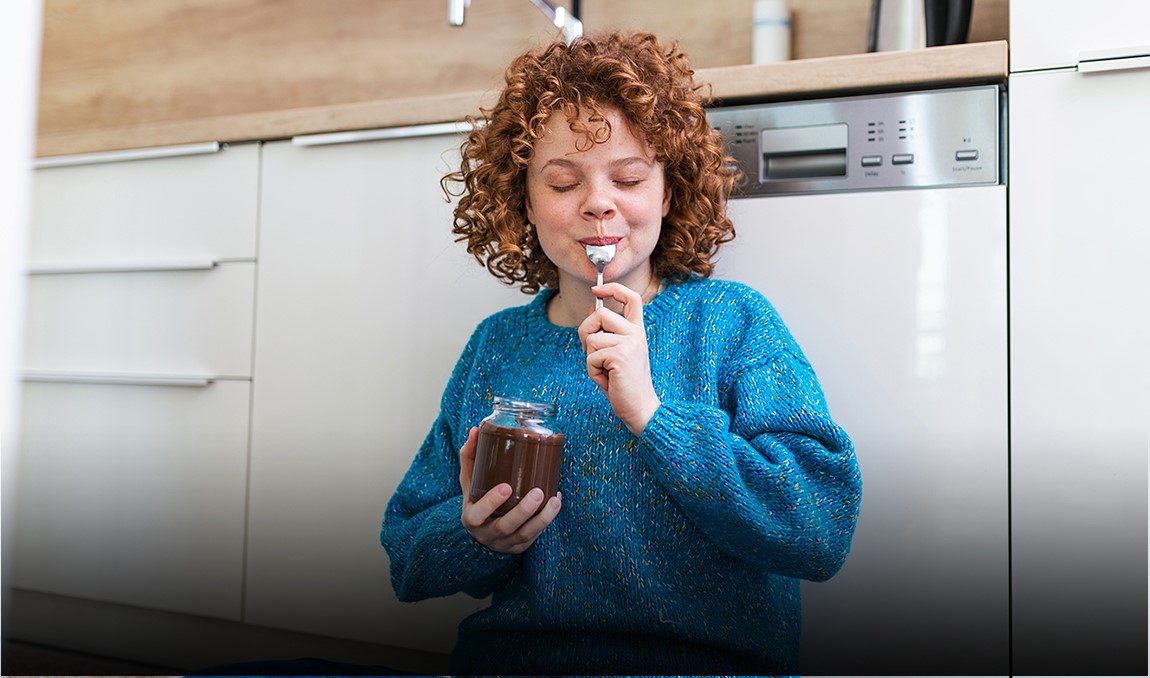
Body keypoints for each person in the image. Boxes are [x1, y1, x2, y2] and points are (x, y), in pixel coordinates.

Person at [380, 31, 862, 676]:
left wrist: (655, 416)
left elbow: (819, 529)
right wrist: (474, 536)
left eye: (628, 177)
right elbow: (407, 559)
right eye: (562, 182)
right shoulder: (496, 346)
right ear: (523, 200)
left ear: (667, 192)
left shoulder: (732, 324)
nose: (598, 201)